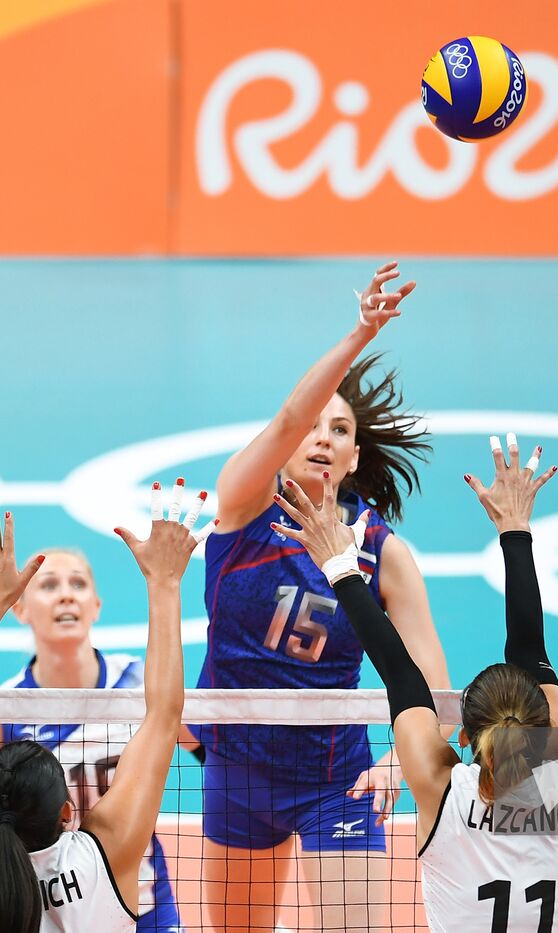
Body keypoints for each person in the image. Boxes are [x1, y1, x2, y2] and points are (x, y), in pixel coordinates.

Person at [196, 261, 451, 930]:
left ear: (354, 458)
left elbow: (435, 685)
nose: (322, 436)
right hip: (239, 769)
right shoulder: (242, 513)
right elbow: (287, 416)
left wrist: (403, 757)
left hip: (336, 778)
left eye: (340, 430)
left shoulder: (383, 554)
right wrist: (361, 332)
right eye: (315, 424)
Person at [270, 434, 558, 932]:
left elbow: (403, 674)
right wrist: (515, 528)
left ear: (465, 736)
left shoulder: (444, 794)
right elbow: (526, 656)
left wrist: (337, 563)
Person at [0, 483, 208, 931]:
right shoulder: (8, 709)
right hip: (115, 895)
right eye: (49, 584)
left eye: (77, 583)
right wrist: (164, 582)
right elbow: (164, 718)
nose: (66, 594)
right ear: (67, 813)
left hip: (116, 905)